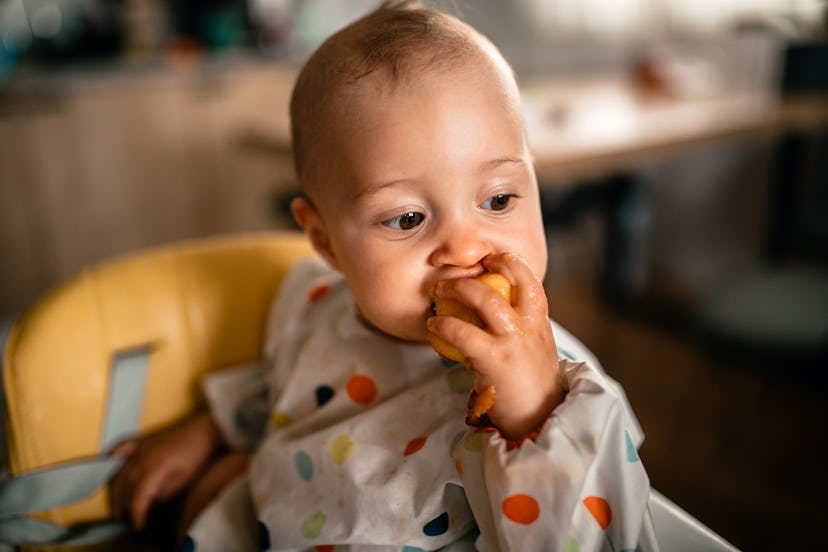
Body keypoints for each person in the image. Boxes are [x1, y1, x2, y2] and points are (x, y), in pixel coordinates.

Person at [110, 2, 657, 550]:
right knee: (214, 489)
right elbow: (284, 386)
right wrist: (207, 431)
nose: (466, 248)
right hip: (281, 517)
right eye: (408, 218)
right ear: (325, 240)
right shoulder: (314, 303)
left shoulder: (560, 392)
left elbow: (595, 536)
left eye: (498, 198)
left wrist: (530, 415)